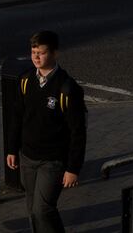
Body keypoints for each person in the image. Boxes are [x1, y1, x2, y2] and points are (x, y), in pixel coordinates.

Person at [6, 31, 87, 233]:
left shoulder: (67, 88)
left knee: (43, 209)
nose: (35, 57)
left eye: (41, 53)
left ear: (54, 53)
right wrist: (11, 149)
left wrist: (73, 168)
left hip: (52, 161)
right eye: (33, 52)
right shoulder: (25, 81)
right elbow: (17, 117)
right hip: (28, 158)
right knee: (32, 210)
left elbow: (78, 131)